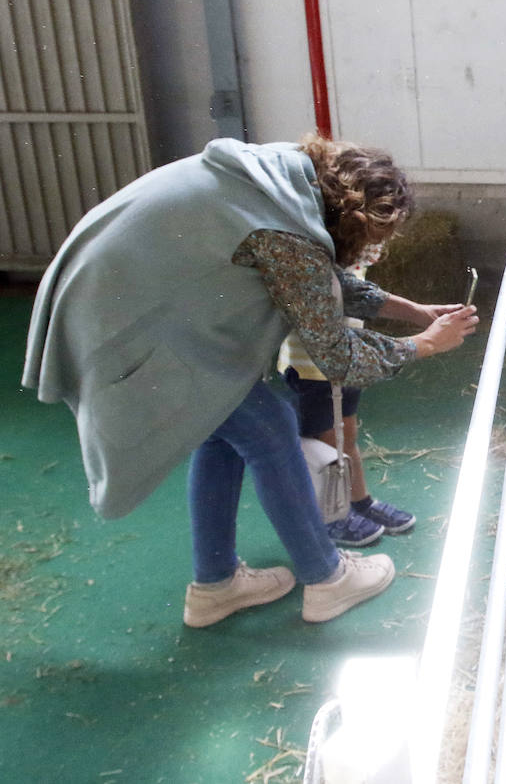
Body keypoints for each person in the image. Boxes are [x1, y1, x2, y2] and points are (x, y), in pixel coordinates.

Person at [22, 134, 480, 626]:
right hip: (120, 319)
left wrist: (409, 310)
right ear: (355, 220)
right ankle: (327, 579)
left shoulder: (282, 179)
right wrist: (426, 344)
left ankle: (216, 585)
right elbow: (337, 354)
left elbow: (321, 279)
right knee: (270, 426)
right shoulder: (282, 231)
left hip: (107, 294)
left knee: (220, 422)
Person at [278, 242, 448, 546]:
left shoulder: (360, 241)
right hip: (315, 363)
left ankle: (359, 502)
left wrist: (419, 312)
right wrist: (425, 339)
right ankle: (331, 515)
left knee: (347, 435)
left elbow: (358, 288)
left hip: (351, 354)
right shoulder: (318, 244)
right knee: (327, 445)